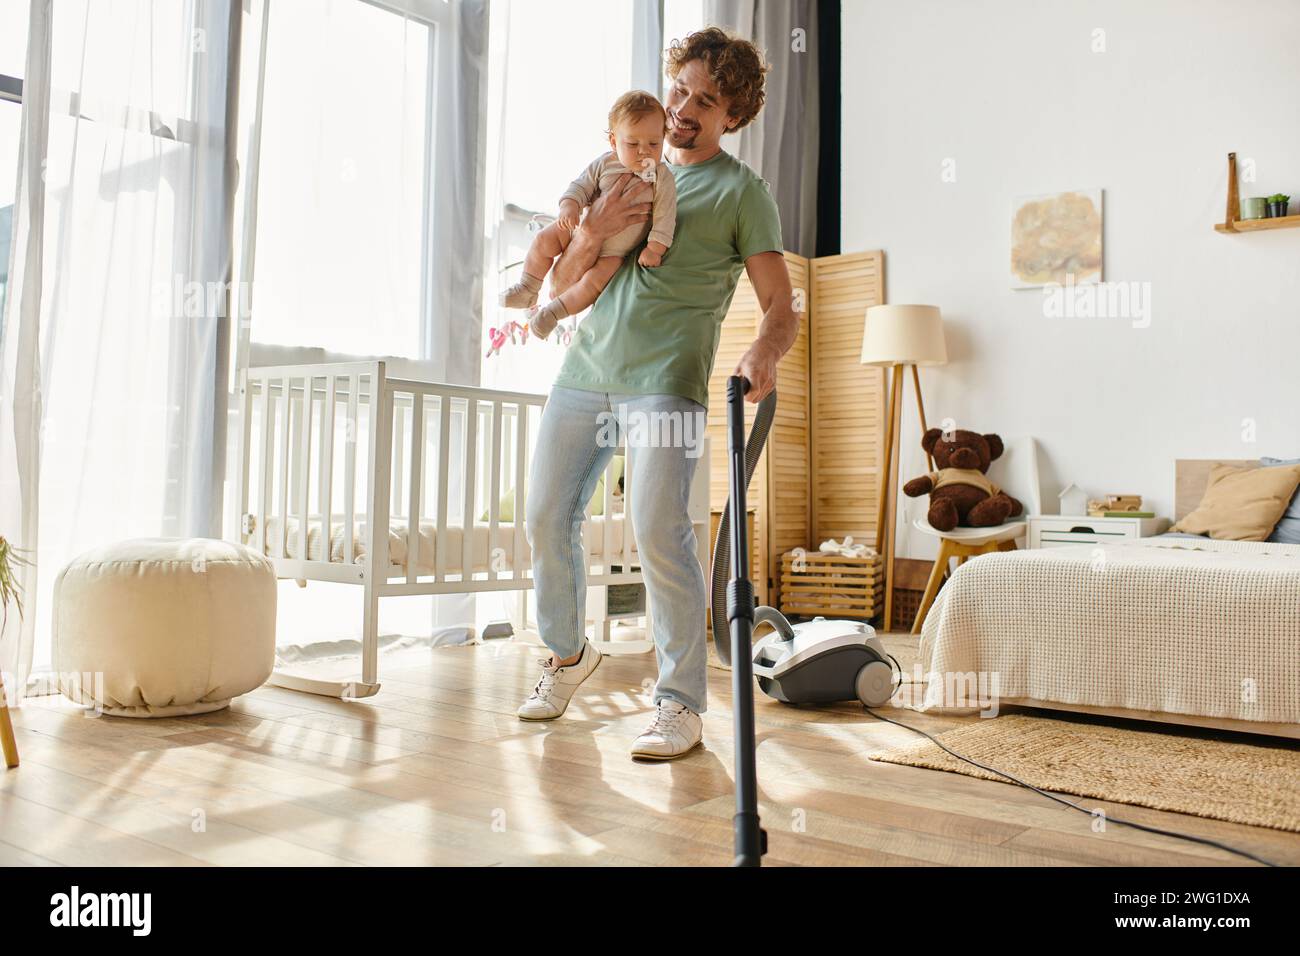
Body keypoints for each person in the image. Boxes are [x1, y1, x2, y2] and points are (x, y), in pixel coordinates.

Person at [519, 28, 800, 761]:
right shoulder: (621, 168)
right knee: (544, 516)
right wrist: (592, 233)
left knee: (658, 530)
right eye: (680, 90)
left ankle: (679, 702)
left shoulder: (742, 192)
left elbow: (782, 303)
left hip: (667, 386)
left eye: (705, 101)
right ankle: (567, 655)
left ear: (732, 116)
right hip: (584, 372)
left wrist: (764, 349)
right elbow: (560, 285)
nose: (683, 109)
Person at [498, 90, 677, 340]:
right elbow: (580, 186)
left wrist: (655, 248)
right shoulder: (605, 163)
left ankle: (552, 314)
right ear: (614, 142)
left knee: (594, 283)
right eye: (633, 144)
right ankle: (528, 287)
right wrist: (569, 206)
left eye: (654, 144)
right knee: (544, 239)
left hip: (615, 253)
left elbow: (666, 215)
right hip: (578, 228)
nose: (644, 152)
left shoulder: (662, 177)